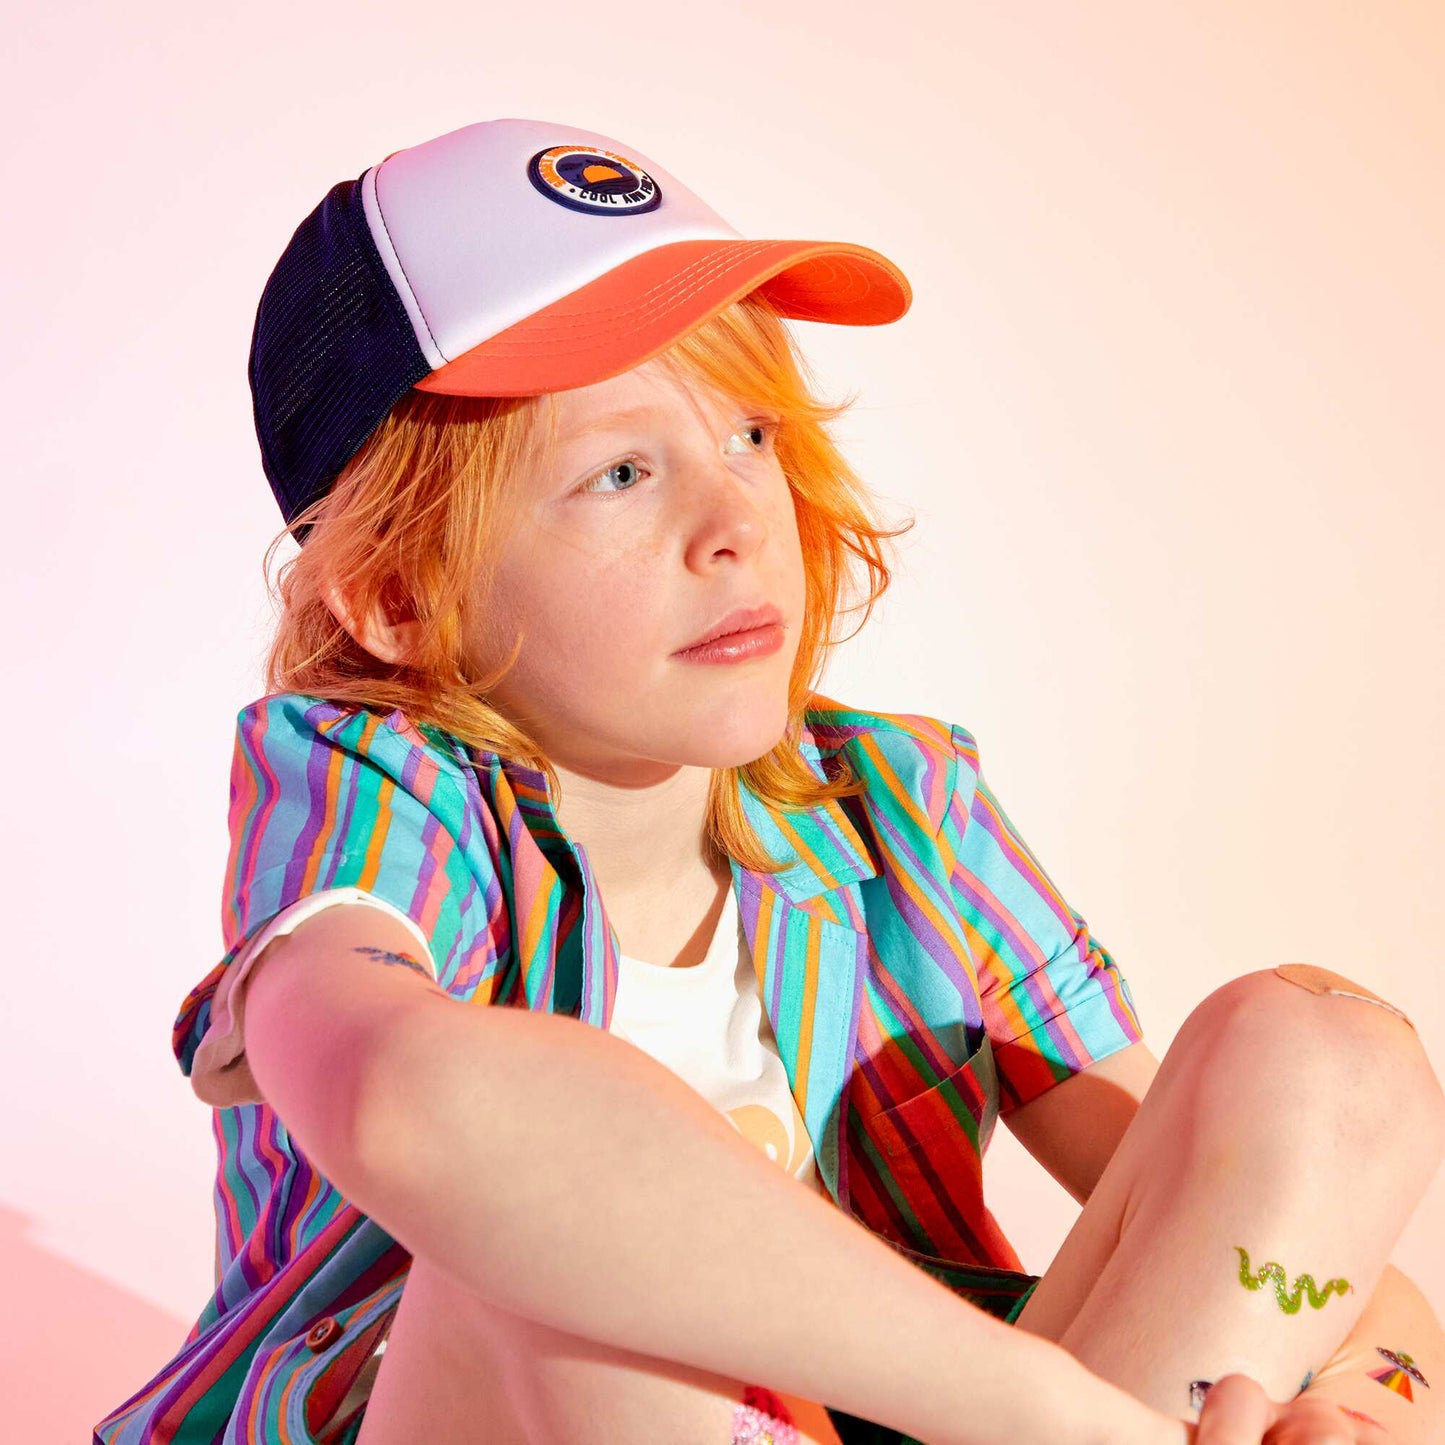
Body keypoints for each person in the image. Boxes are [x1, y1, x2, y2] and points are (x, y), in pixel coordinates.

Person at [94, 117, 1444, 1445]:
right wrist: (1044, 1413)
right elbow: (406, 1096)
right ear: (398, 594)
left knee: (1326, 1058)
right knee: (559, 1248)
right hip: (504, 1405)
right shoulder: (368, 788)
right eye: (622, 472)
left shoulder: (896, 800)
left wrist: (1356, 1394)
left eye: (749, 435)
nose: (738, 521)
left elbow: (1277, 1221)